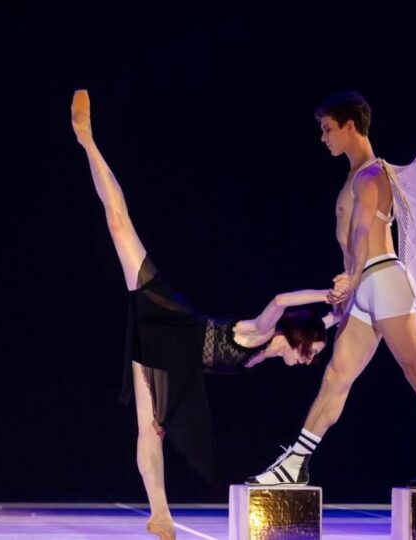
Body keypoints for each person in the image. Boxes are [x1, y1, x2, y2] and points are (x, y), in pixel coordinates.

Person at [72, 89, 338, 539]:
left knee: (150, 429)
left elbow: (326, 325)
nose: (310, 360)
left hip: (169, 357)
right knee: (119, 224)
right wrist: (326, 294)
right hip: (169, 320)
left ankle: (160, 514)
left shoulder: (274, 351)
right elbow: (281, 301)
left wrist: (345, 304)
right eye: (311, 352)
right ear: (299, 338)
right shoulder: (263, 332)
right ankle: (87, 139)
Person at [246, 92, 416, 489]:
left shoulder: (371, 174)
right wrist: (351, 287)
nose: (323, 138)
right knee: (336, 376)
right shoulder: (356, 177)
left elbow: (365, 228)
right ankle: (295, 463)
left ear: (350, 126)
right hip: (365, 286)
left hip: (383, 280)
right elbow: (353, 238)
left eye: (328, 129)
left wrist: (352, 277)